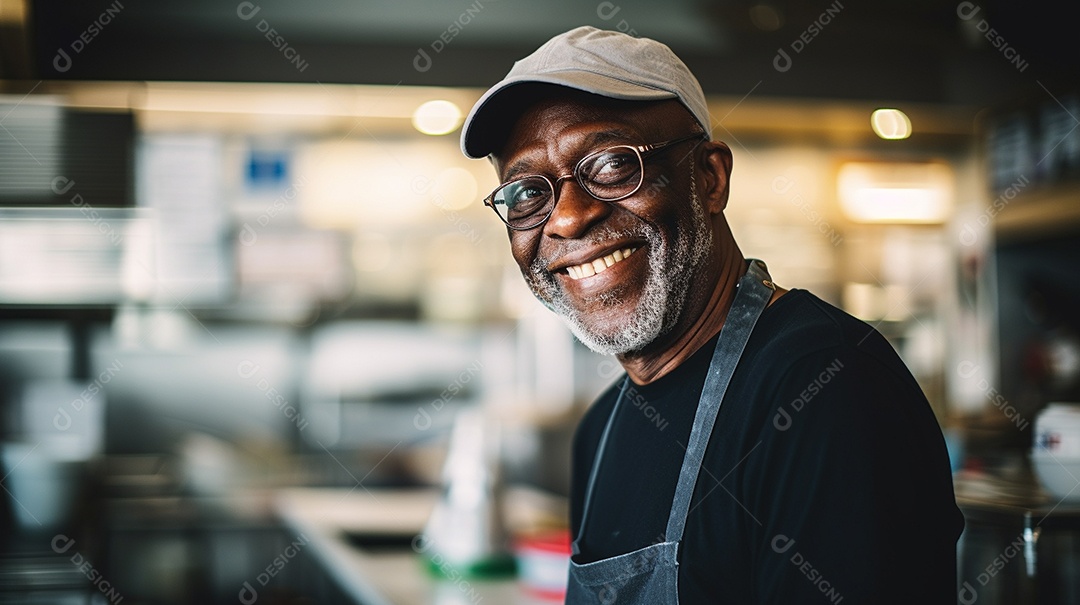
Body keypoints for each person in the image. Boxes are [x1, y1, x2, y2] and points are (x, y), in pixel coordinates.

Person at [460, 26, 963, 604]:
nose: (567, 220)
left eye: (610, 165)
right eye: (526, 194)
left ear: (710, 177)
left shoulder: (828, 388)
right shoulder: (600, 433)